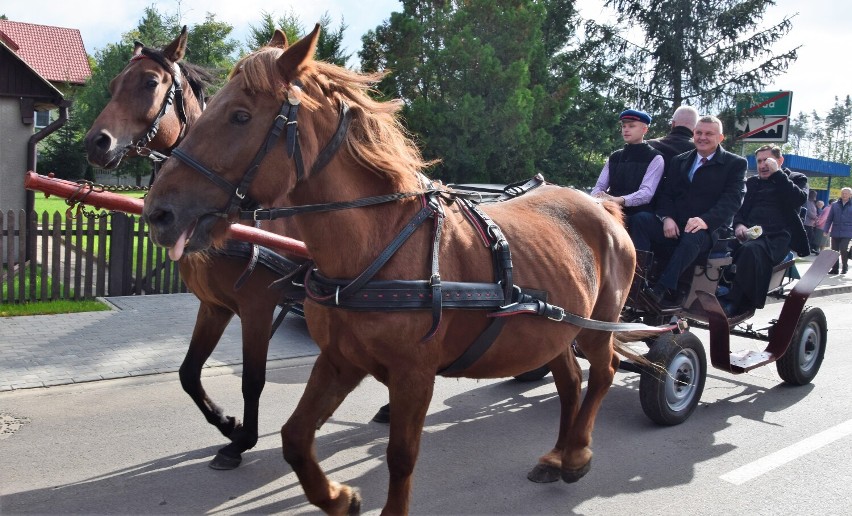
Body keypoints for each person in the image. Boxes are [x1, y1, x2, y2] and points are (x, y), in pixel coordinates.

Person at [631, 115, 747, 309]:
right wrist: (667, 218)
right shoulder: (680, 160)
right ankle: (638, 280)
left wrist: (705, 220)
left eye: (709, 134)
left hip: (710, 230)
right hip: (676, 224)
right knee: (641, 220)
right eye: (698, 132)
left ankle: (662, 289)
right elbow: (666, 194)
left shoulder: (735, 163)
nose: (702, 137)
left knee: (693, 234)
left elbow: (733, 200)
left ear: (720, 138)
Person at [719, 145, 809, 316]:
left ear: (779, 161)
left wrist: (778, 174)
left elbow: (797, 200)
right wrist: (739, 225)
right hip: (749, 234)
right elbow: (741, 211)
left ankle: (737, 302)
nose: (762, 165)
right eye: (759, 161)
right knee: (717, 244)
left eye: (767, 160)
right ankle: (717, 289)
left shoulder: (796, 179)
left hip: (778, 237)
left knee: (750, 250)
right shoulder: (753, 182)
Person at [590, 109, 664, 229]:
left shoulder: (655, 158)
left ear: (644, 129)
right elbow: (600, 186)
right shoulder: (615, 156)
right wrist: (596, 198)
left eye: (631, 126)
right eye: (624, 126)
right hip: (611, 208)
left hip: (637, 214)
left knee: (638, 221)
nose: (626, 129)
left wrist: (619, 200)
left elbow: (646, 193)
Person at [822, 187, 852, 274]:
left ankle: (845, 267)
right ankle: (835, 269)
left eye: (846, 193)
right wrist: (826, 230)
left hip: (848, 231)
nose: (844, 195)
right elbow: (829, 218)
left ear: (850, 195)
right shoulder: (835, 205)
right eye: (843, 193)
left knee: (843, 249)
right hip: (835, 231)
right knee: (834, 251)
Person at [804, 190, 820, 254]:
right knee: (808, 236)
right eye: (814, 195)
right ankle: (807, 248)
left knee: (811, 237)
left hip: (811, 223)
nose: (815, 196)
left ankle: (809, 248)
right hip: (806, 222)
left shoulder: (812, 202)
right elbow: (808, 212)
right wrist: (815, 217)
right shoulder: (807, 202)